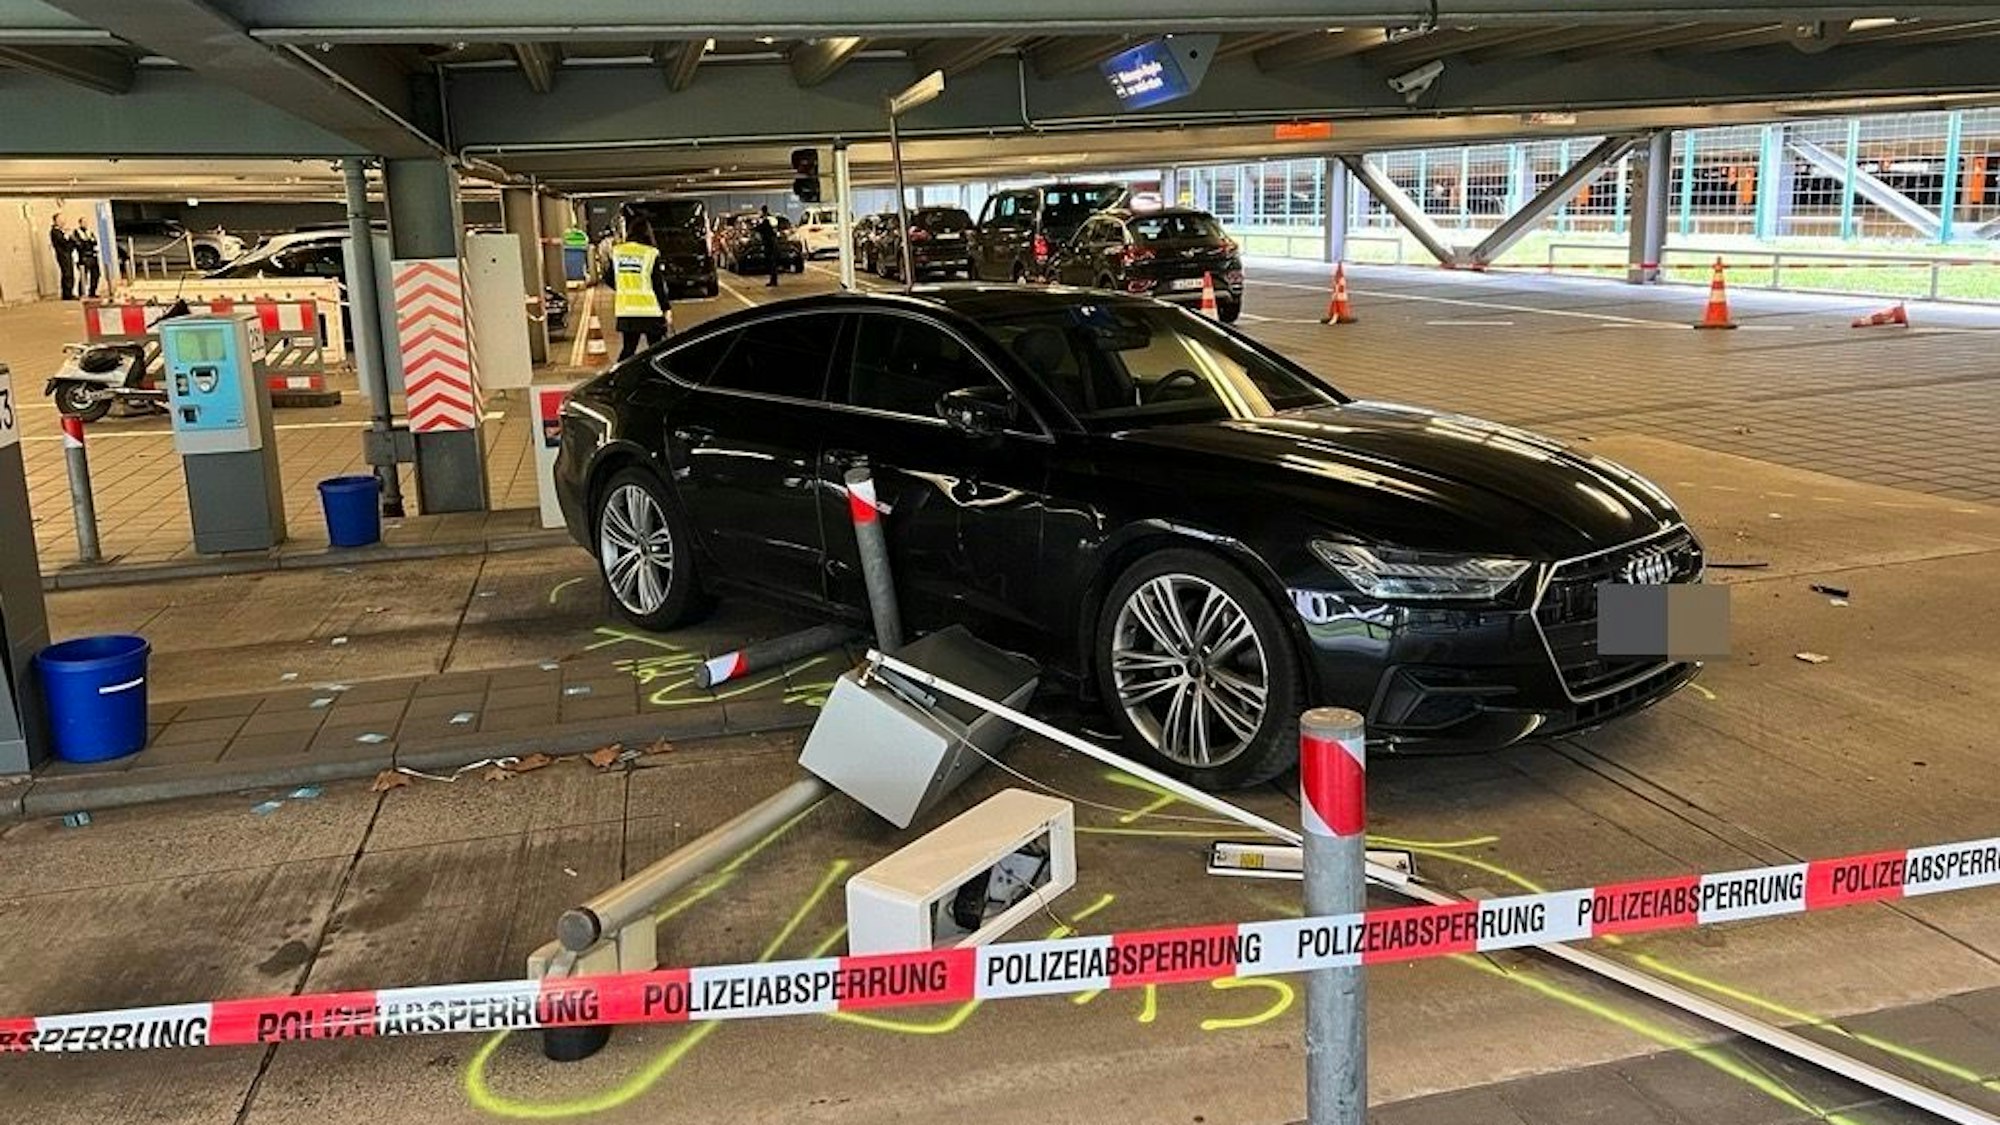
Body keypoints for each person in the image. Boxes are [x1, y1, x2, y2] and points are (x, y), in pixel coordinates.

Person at [610, 221, 672, 360]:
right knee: (656, 351)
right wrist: (666, 308)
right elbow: (658, 285)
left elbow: (609, 278)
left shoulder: (618, 252)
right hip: (650, 311)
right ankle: (653, 378)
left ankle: (618, 377)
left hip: (626, 311)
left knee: (628, 350)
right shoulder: (650, 253)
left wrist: (623, 287)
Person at [71, 217, 101, 299]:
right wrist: (86, 242)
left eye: (86, 222)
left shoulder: (90, 232)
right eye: (83, 222)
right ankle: (82, 292)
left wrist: (91, 242)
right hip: (83, 257)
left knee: (96, 274)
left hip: (93, 255)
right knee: (84, 276)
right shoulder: (76, 232)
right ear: (80, 223)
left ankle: (93, 292)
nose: (85, 224)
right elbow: (78, 244)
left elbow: (95, 242)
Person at [50, 213, 76, 300]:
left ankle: (70, 292)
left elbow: (70, 243)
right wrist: (66, 235)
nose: (63, 221)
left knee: (71, 273)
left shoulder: (62, 231)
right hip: (62, 254)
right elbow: (62, 241)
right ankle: (66, 294)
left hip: (68, 253)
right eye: (60, 220)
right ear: (56, 221)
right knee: (66, 273)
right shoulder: (55, 231)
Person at [757, 204, 781, 287]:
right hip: (774, 242)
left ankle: (773, 281)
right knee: (773, 263)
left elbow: (761, 228)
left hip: (770, 244)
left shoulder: (765, 220)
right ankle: (773, 280)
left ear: (763, 211)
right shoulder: (772, 218)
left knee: (772, 263)